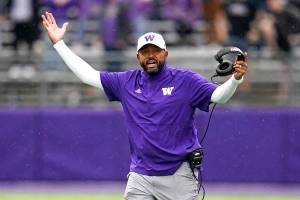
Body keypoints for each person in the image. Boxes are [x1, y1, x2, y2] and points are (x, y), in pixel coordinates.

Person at [42, 11, 248, 200]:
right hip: (141, 176)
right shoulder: (126, 82)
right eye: (145, 51)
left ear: (165, 54)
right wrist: (59, 44)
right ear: (138, 56)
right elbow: (88, 75)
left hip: (178, 174)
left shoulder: (185, 80)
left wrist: (235, 80)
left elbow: (219, 96)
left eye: (156, 51)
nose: (151, 56)